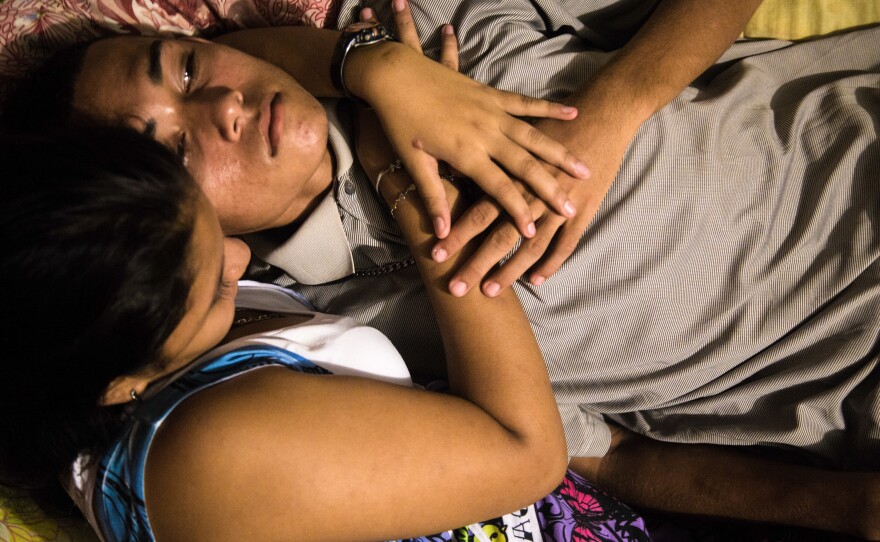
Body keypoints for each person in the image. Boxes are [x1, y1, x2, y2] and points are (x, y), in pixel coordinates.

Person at [3, 0, 880, 537]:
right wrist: (836, 509)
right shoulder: (321, 344)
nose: (226, 104)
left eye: (190, 67)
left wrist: (611, 111)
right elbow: (593, 455)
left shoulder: (425, 37)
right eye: (175, 156)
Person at [0, 126, 652, 542]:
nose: (237, 256)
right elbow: (527, 455)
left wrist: (368, 65)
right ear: (119, 386)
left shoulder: (141, 305)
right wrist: (410, 185)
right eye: (214, 289)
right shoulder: (198, 457)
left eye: (208, 222)